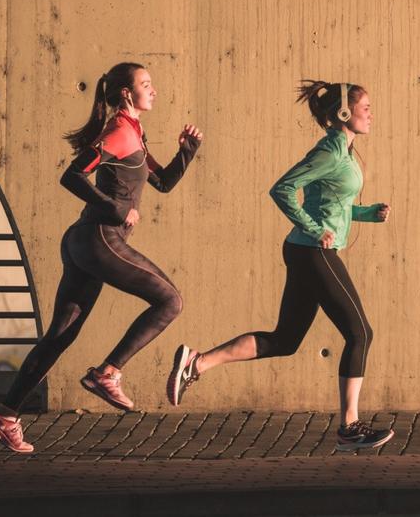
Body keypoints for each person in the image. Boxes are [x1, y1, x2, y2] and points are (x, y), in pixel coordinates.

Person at [0, 62, 203, 453]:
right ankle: (108, 373)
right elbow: (72, 175)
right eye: (146, 84)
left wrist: (186, 153)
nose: (153, 90)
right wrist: (114, 210)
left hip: (85, 242)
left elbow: (163, 183)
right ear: (125, 93)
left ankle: (6, 414)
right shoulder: (118, 132)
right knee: (170, 301)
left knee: (60, 336)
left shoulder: (133, 132)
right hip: (100, 238)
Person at [167, 80, 394, 452]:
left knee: (286, 340)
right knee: (360, 333)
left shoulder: (345, 152)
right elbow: (282, 188)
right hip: (313, 252)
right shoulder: (331, 151)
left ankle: (197, 363)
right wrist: (313, 228)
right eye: (364, 106)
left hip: (307, 250)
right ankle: (349, 427)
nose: (370, 113)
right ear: (343, 114)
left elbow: (331, 204)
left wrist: (368, 213)